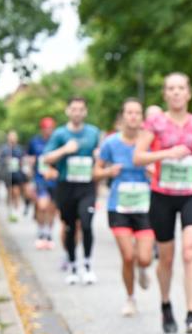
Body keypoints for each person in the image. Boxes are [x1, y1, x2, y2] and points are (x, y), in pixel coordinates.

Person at [133, 73, 192, 334]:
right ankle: (166, 304)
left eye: (181, 88)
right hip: (162, 195)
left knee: (190, 251)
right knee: (166, 257)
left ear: (189, 93)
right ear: (165, 94)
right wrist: (167, 153)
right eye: (171, 88)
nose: (177, 92)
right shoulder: (155, 122)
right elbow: (138, 157)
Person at [96, 98, 154, 316]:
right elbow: (96, 171)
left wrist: (152, 171)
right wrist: (108, 172)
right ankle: (130, 298)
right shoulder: (111, 143)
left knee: (145, 257)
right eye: (129, 113)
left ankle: (143, 268)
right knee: (128, 256)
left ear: (142, 118)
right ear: (122, 117)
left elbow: (160, 166)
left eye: (137, 113)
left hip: (145, 205)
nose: (133, 117)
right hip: (118, 206)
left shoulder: (149, 141)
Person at [42, 98, 102, 285]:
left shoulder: (93, 132)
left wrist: (99, 156)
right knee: (69, 226)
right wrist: (65, 150)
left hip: (86, 186)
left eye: (81, 109)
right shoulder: (60, 134)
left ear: (85, 112)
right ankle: (73, 265)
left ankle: (88, 265)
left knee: (85, 223)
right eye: (73, 109)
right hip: (66, 186)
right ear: (68, 111)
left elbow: (100, 155)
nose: (77, 112)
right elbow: (46, 158)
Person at [27, 117, 58, 249]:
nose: (49, 131)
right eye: (46, 128)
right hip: (40, 179)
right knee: (42, 206)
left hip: (55, 180)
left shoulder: (58, 142)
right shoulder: (35, 142)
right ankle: (40, 232)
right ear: (42, 129)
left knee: (52, 208)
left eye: (51, 128)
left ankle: (48, 233)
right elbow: (29, 158)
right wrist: (29, 178)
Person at [0, 130, 27, 222]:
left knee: (16, 192)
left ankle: (16, 211)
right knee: (9, 192)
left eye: (14, 136)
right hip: (7, 174)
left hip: (17, 174)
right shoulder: (4, 149)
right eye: (11, 136)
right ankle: (10, 210)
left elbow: (23, 160)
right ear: (8, 138)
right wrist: (5, 161)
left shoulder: (20, 149)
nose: (13, 138)